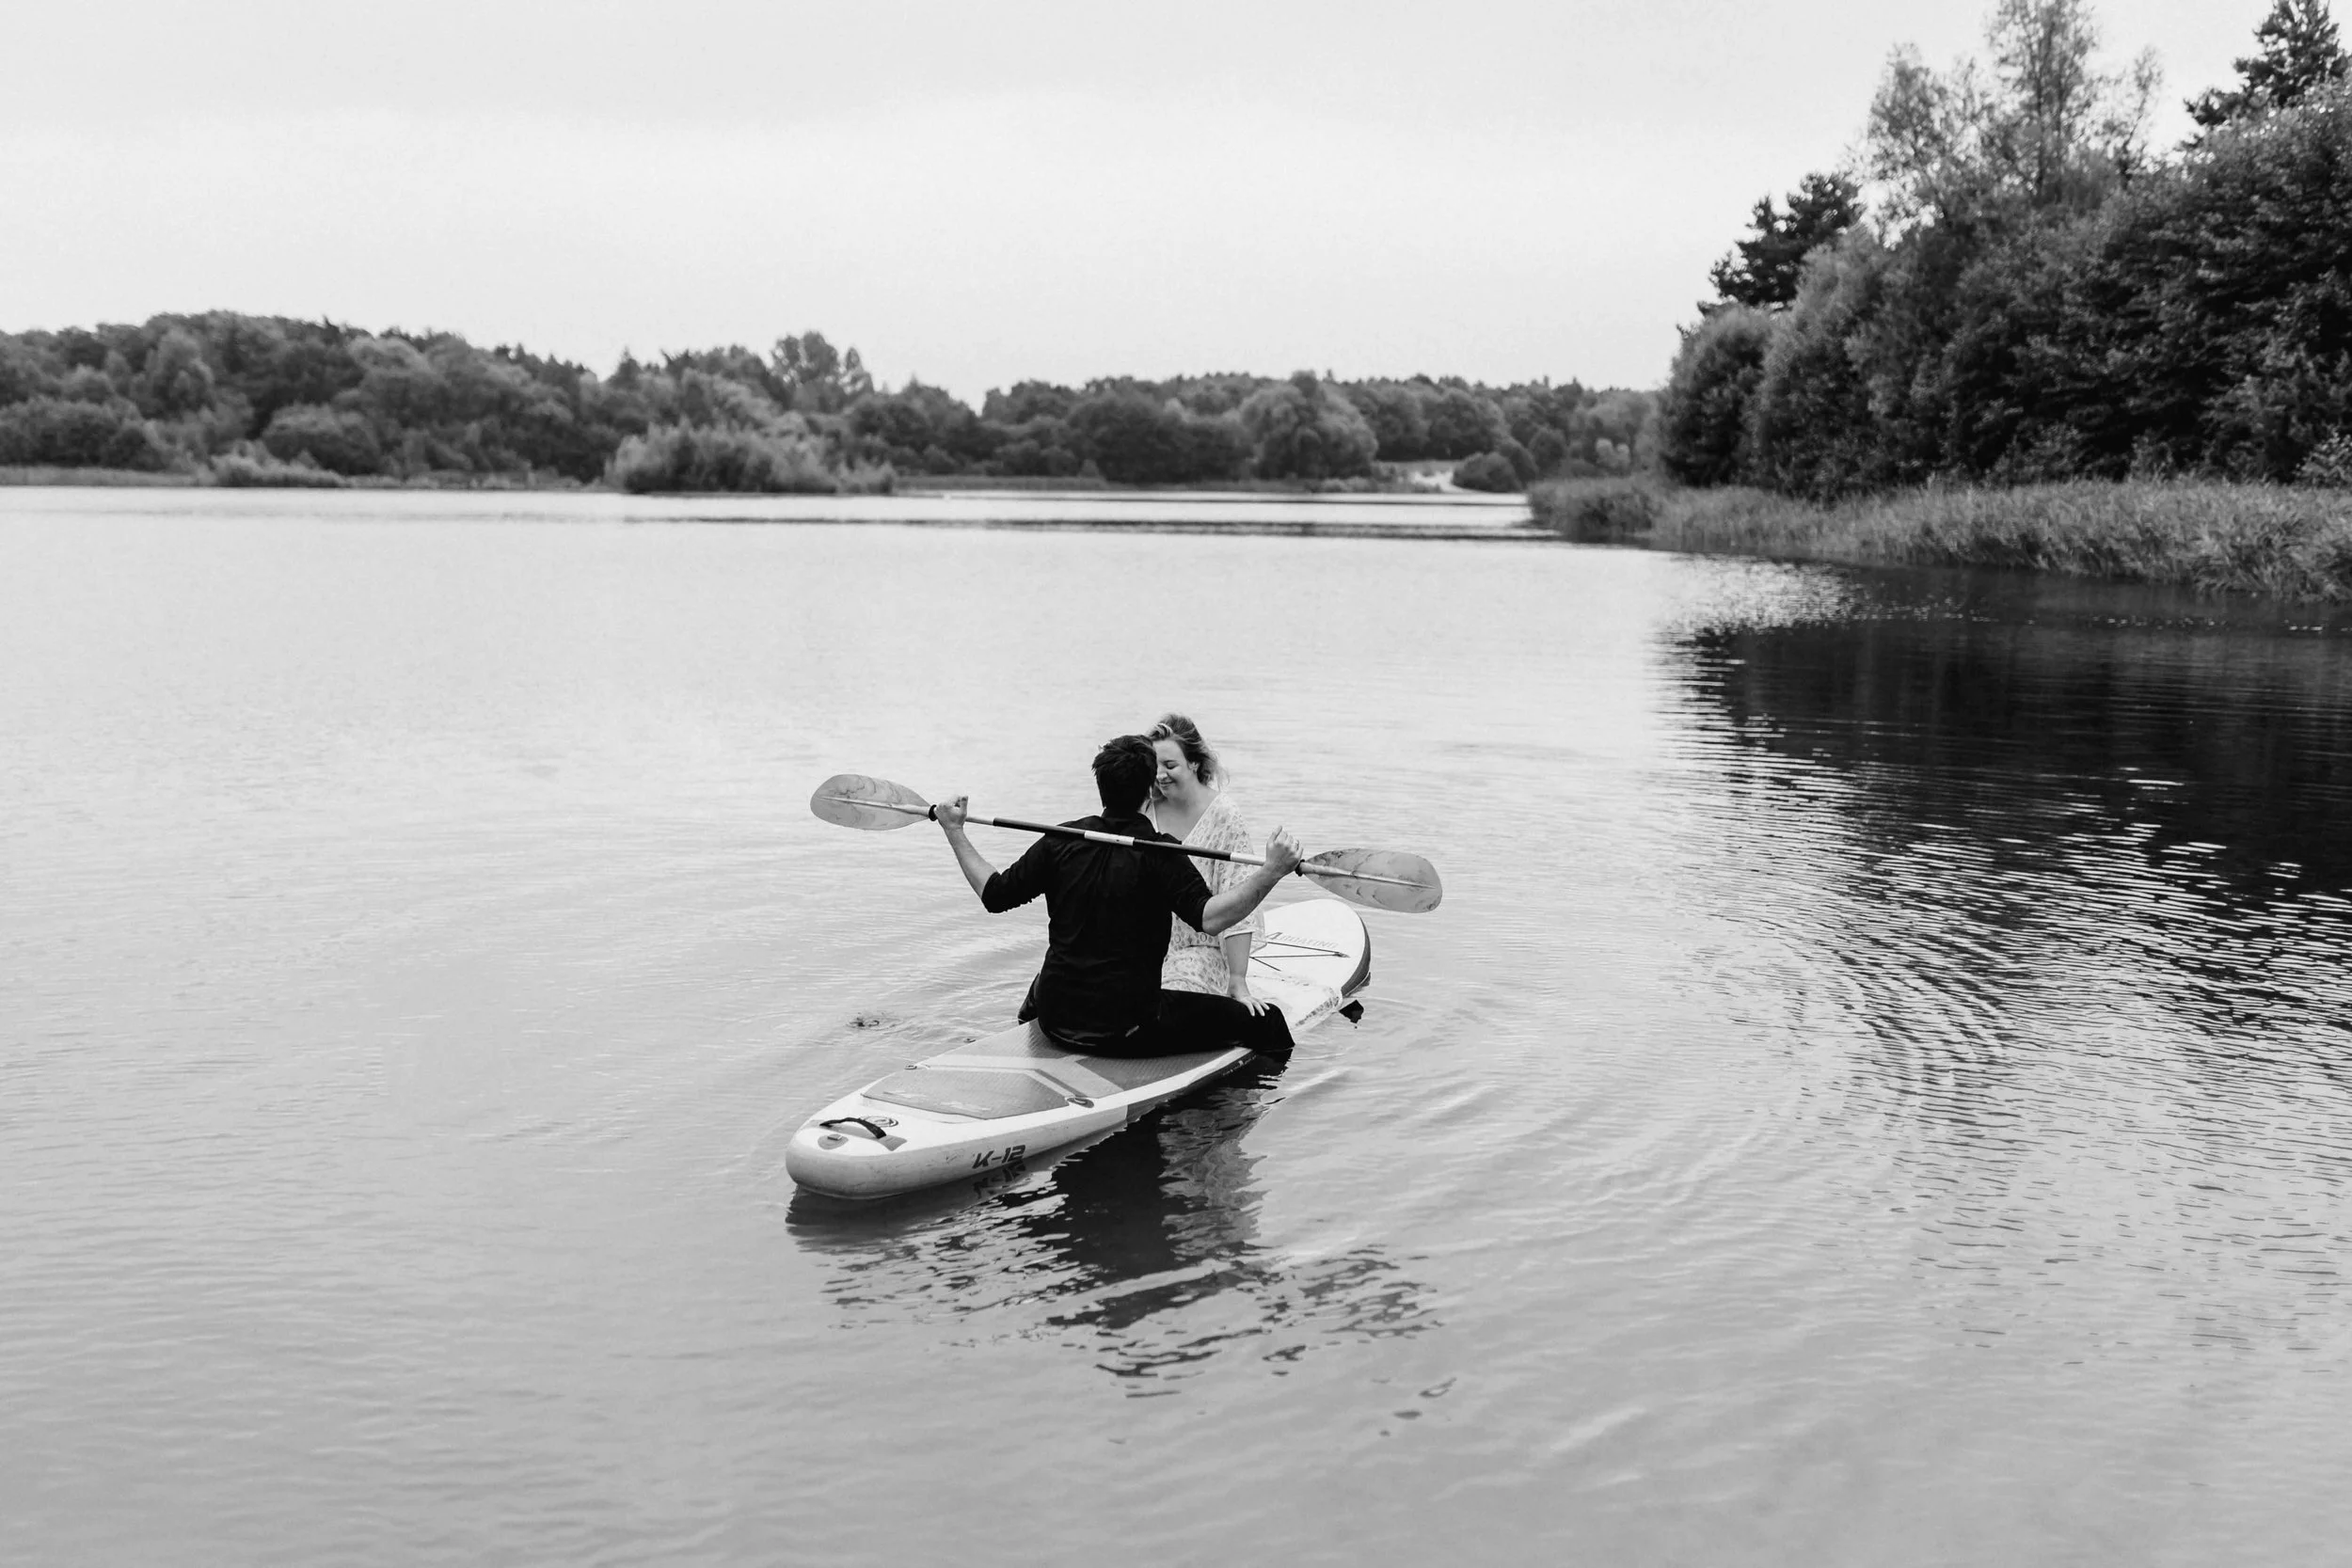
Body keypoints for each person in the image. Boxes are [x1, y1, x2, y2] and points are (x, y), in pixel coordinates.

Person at [932, 735, 1302, 1058]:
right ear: (1149, 791)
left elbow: (994, 894)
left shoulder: (1062, 839)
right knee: (1268, 1023)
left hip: (1054, 1020)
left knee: (1053, 975)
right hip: (1130, 1030)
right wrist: (1272, 871)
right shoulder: (1161, 852)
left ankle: (1029, 1022)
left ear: (1101, 786)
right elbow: (1211, 918)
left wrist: (954, 830)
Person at [1144, 713, 1297, 1058]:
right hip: (1147, 950)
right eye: (1154, 765)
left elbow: (1239, 900)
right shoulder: (1144, 811)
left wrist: (1238, 980)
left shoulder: (1225, 816)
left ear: (1195, 764)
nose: (1160, 775)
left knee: (1169, 1002)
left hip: (1201, 950)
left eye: (1170, 764)